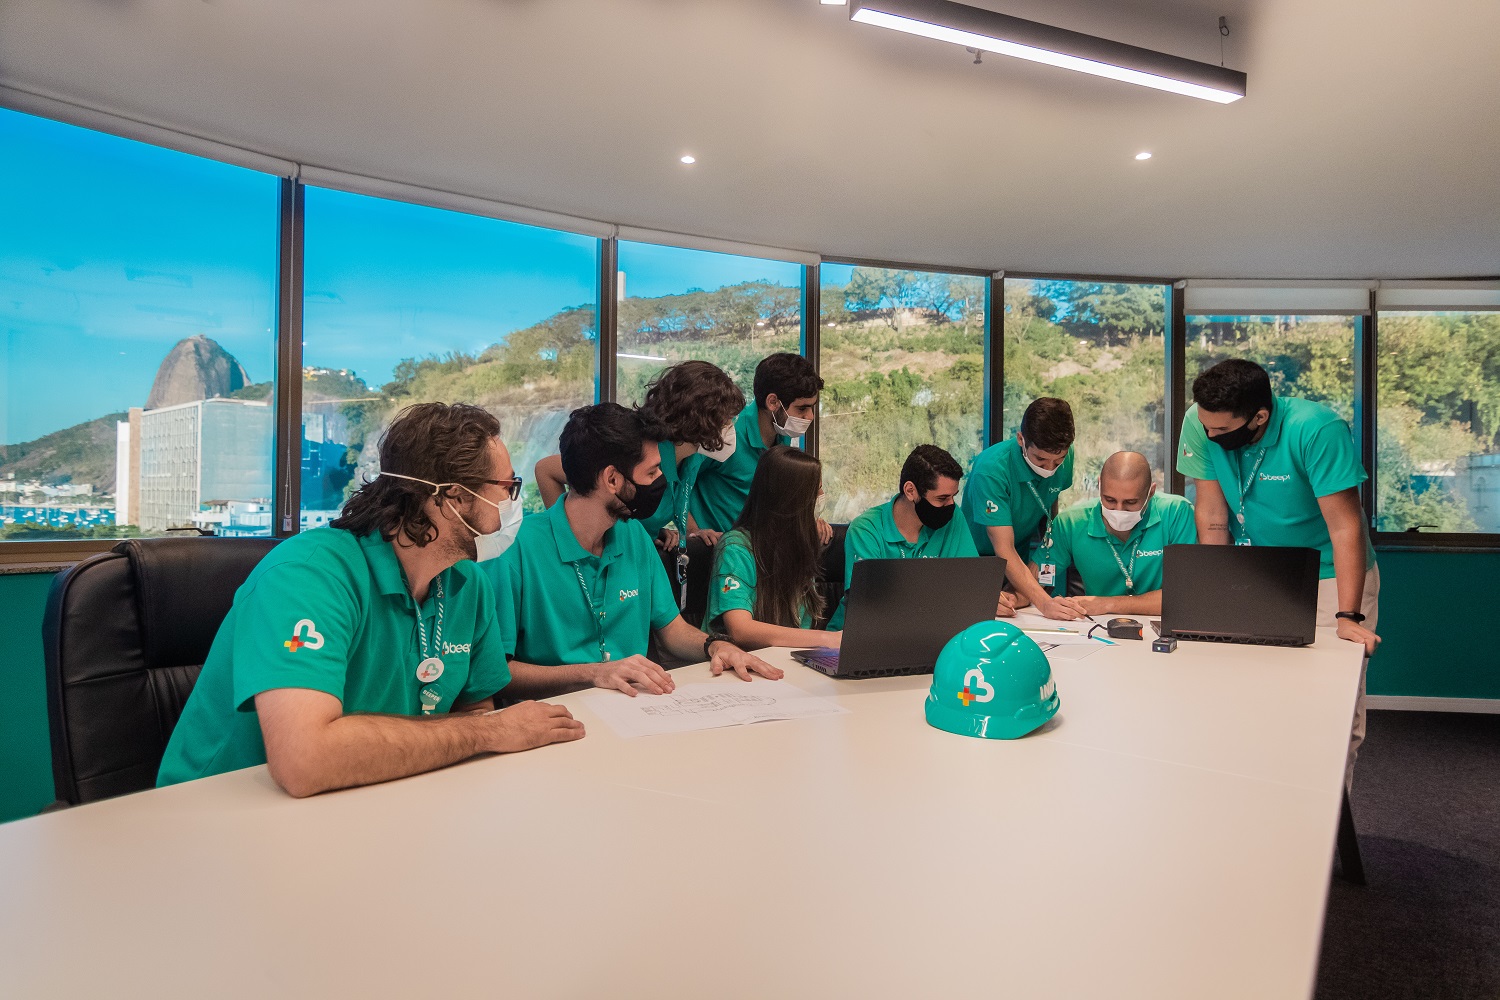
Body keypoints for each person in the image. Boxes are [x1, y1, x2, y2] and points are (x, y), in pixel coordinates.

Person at [157, 403, 584, 796]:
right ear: (451, 497)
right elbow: (305, 760)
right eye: (507, 487)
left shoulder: (467, 584)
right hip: (218, 814)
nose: (513, 503)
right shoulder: (307, 576)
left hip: (376, 795)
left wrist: (479, 732)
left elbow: (475, 708)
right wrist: (490, 733)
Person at [493, 402, 783, 698]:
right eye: (652, 471)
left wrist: (716, 645)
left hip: (633, 706)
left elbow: (673, 631)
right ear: (612, 480)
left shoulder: (635, 536)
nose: (660, 481)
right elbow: (496, 673)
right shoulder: (516, 550)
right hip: (557, 715)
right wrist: (593, 674)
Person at [1178, 359, 1380, 779]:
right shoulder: (1201, 421)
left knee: (1331, 706)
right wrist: (1215, 588)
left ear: (1260, 416)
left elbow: (1345, 527)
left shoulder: (1317, 429)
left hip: (1327, 574)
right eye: (1206, 427)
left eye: (1221, 430)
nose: (1210, 436)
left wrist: (1347, 616)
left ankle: (1328, 809)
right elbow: (1212, 513)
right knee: (1253, 694)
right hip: (1257, 572)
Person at [533, 360, 745, 553]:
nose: (730, 428)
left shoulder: (692, 458)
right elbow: (546, 469)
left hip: (637, 557)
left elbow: (669, 499)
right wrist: (569, 540)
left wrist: (689, 531)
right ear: (701, 421)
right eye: (726, 420)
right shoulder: (640, 452)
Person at [830, 444, 998, 629]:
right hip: (857, 635)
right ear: (910, 491)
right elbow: (872, 607)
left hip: (931, 630)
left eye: (953, 496)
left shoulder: (953, 516)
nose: (951, 505)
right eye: (942, 498)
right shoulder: (866, 529)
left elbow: (969, 584)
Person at [959, 397, 1088, 620]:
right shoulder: (991, 471)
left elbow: (1050, 497)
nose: (1049, 468)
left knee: (1017, 608)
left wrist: (1046, 551)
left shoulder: (1064, 454)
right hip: (979, 560)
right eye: (1040, 459)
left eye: (1057, 461)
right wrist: (1045, 603)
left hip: (1021, 553)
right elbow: (1003, 547)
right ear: (1021, 439)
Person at [704, 445, 843, 649]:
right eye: (816, 489)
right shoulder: (735, 548)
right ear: (792, 499)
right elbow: (740, 629)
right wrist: (827, 639)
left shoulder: (800, 544)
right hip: (740, 662)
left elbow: (801, 626)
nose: (821, 495)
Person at [1032, 451, 1197, 616]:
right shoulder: (1071, 523)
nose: (1119, 510)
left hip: (1161, 622)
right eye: (1109, 500)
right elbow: (1035, 582)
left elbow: (1185, 596)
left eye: (1130, 502)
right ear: (1099, 486)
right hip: (1096, 626)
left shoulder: (1177, 513)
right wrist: (1025, 600)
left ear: (1151, 492)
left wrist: (1108, 604)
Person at [691, 352, 830, 545]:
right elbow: (676, 486)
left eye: (812, 407)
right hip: (720, 552)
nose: (810, 417)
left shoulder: (782, 435)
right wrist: (693, 531)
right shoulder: (727, 434)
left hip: (761, 548)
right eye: (802, 408)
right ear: (772, 402)